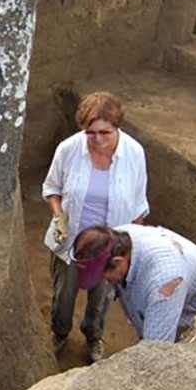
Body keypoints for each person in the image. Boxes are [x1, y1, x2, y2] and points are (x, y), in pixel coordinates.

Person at [42, 91, 149, 362]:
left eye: (105, 132)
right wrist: (59, 217)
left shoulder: (134, 153)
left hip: (110, 244)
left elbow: (138, 205)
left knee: (102, 296)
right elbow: (52, 188)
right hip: (72, 240)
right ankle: (60, 332)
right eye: (91, 133)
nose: (98, 139)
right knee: (63, 294)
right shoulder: (69, 149)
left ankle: (93, 336)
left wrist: (129, 248)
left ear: (117, 128)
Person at [71, 224, 196, 342]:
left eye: (104, 275)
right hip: (182, 308)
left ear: (118, 262)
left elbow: (156, 354)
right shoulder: (118, 237)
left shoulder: (163, 282)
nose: (103, 281)